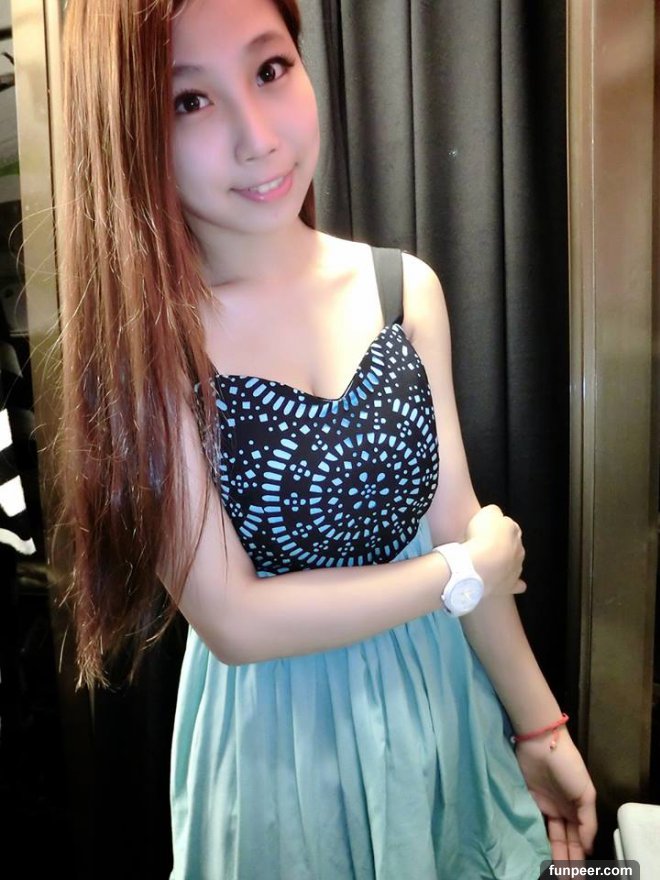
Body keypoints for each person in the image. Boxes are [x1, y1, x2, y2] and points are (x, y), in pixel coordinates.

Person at [58, 0, 597, 877]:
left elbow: (456, 520)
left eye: (270, 69)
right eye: (190, 101)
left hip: (440, 708)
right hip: (283, 749)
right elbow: (237, 621)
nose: (258, 137)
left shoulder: (402, 289)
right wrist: (457, 575)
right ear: (128, 131)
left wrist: (541, 728)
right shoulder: (151, 348)